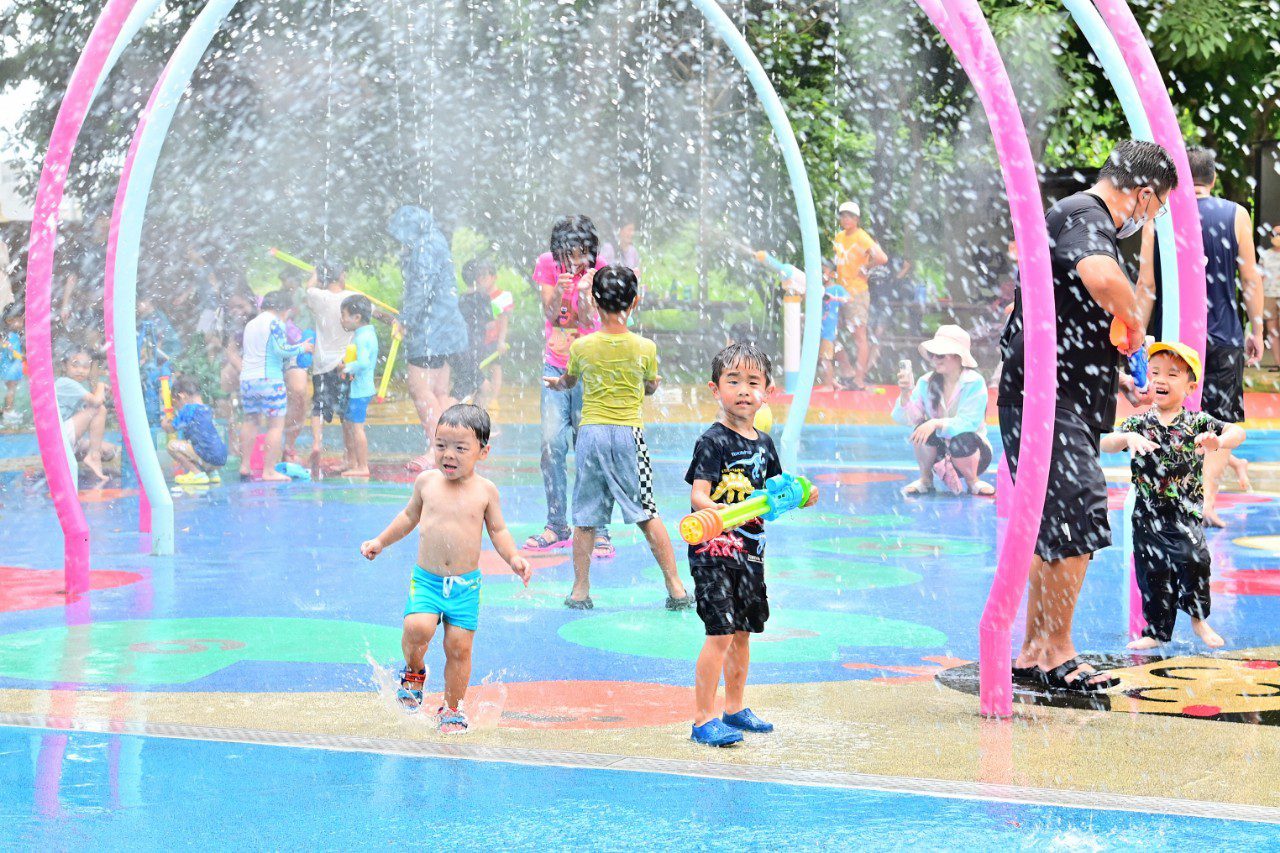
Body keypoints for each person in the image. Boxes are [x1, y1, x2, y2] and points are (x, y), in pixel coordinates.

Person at [998, 139, 1175, 693]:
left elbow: (1069, 307)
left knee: (1055, 526)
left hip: (1053, 394)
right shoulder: (1084, 215)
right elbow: (1100, 278)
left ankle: (1033, 649)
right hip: (1045, 401)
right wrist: (1137, 325)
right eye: (1158, 207)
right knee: (1079, 515)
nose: (1154, 218)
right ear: (1143, 194)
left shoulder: (1075, 216)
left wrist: (1114, 373)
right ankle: (1058, 648)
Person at [360, 404, 531, 732]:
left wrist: (514, 558)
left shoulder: (485, 491)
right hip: (427, 580)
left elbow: (498, 531)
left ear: (483, 451)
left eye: (460, 448)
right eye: (441, 445)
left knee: (459, 647)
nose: (448, 454)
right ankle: (414, 672)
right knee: (417, 628)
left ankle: (452, 708)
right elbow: (408, 517)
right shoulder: (426, 483)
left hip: (465, 586)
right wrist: (380, 541)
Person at [686, 342, 818, 747]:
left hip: (751, 554)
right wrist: (713, 514)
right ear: (715, 388)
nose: (743, 390)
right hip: (714, 553)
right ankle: (702, 718)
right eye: (733, 381)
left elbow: (775, 491)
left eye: (752, 382)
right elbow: (699, 495)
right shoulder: (713, 441)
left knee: (743, 633)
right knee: (719, 634)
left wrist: (801, 494)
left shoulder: (764, 444)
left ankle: (735, 708)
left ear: (768, 391)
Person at [542, 264, 691, 610]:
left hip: (591, 435)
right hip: (627, 436)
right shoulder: (644, 347)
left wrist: (557, 384)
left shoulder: (582, 347)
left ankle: (580, 590)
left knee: (585, 517)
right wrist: (650, 384)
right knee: (646, 512)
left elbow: (569, 380)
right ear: (635, 301)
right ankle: (676, 586)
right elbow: (650, 387)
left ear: (593, 303)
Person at [1100, 343, 1243, 649]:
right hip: (1146, 513)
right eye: (1154, 373)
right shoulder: (1139, 422)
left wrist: (1218, 440)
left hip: (1184, 511)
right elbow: (1107, 443)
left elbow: (1237, 432)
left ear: (1190, 386)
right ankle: (1156, 631)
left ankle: (1198, 618)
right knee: (1153, 572)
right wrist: (1127, 437)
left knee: (1196, 559)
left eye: (1172, 374)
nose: (1161, 380)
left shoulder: (1196, 422)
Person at [1178, 148, 1264, 526]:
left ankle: (1175, 498)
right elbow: (1250, 278)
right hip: (1224, 335)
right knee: (1218, 424)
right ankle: (1206, 503)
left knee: (1175, 419)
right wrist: (1257, 327)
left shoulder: (1166, 213)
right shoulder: (1236, 215)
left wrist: (1139, 334)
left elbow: (1146, 280)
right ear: (1212, 179)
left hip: (1176, 337)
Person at [526, 215, 613, 558]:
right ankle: (557, 523)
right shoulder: (548, 265)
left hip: (591, 368)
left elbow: (594, 322)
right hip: (556, 365)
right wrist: (562, 294)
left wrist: (588, 294)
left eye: (582, 253)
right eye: (570, 253)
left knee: (590, 446)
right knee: (551, 444)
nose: (577, 261)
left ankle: (598, 528)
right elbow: (552, 318)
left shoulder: (600, 268)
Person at [389, 205, 469, 473]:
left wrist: (405, 319)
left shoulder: (422, 248)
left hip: (429, 331)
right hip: (448, 327)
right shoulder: (437, 240)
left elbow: (419, 289)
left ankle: (437, 450)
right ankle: (446, 449)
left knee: (420, 389)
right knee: (440, 392)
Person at [893, 325, 994, 497]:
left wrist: (936, 423)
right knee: (921, 428)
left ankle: (973, 480)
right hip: (939, 455)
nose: (934, 360)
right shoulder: (926, 382)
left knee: (962, 438)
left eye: (940, 355)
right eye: (932, 354)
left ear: (958, 356)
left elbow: (969, 422)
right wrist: (905, 393)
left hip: (973, 453)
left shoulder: (974, 382)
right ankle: (925, 479)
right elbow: (909, 418)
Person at [238, 289, 312, 482]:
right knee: (275, 425)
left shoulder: (251, 324)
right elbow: (280, 349)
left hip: (248, 381)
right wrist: (301, 347)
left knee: (250, 421)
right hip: (269, 380)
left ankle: (245, 466)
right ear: (283, 309)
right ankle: (269, 471)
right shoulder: (275, 323)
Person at [832, 201, 888, 390]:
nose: (846, 219)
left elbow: (881, 257)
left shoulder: (862, 237)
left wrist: (866, 267)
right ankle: (847, 370)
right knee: (830, 332)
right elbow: (840, 264)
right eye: (843, 215)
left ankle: (859, 380)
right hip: (839, 291)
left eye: (850, 216)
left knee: (859, 336)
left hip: (856, 292)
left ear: (857, 219)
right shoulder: (839, 237)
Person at [304, 262, 354, 469]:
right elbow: (373, 314)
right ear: (341, 275)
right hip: (344, 364)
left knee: (318, 406)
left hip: (322, 364)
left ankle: (317, 443)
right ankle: (348, 457)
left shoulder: (318, 297)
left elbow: (309, 287)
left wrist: (315, 274)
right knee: (345, 413)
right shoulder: (351, 298)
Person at [454, 258, 512, 410]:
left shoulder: (462, 298)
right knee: (479, 385)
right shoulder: (481, 297)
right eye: (481, 276)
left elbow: (501, 319)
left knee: (471, 385)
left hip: (467, 348)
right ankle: (469, 421)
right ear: (477, 278)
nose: (483, 279)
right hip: (473, 348)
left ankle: (471, 418)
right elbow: (487, 322)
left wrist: (499, 340)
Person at [55, 348, 117, 485]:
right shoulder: (65, 383)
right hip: (61, 436)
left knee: (109, 450)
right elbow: (96, 403)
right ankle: (93, 456)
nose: (80, 370)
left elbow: (86, 415)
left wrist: (103, 394)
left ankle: (92, 454)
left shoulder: (75, 386)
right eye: (75, 365)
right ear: (64, 366)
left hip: (68, 440)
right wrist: (100, 386)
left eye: (85, 366)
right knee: (99, 409)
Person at [339, 294, 378, 478]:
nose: (342, 319)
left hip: (359, 390)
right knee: (349, 424)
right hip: (359, 388)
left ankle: (362, 466)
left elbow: (363, 363)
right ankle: (352, 461)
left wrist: (347, 367)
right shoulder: (365, 334)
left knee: (357, 427)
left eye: (344, 315)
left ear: (357, 317)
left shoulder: (363, 338)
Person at [163, 375, 228, 486]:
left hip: (206, 456)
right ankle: (212, 473)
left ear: (181, 396)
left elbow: (170, 429)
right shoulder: (207, 408)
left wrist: (165, 423)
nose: (177, 408)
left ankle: (197, 473)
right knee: (198, 444)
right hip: (221, 458)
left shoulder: (188, 409)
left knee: (172, 446)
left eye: (176, 404)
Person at [817, 259, 850, 389]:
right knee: (823, 357)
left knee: (826, 358)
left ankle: (828, 386)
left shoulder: (837, 289)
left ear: (831, 274)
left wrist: (834, 298)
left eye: (823, 271)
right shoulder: (820, 289)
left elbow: (848, 299)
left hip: (829, 329)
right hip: (820, 328)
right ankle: (834, 383)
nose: (820, 275)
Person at [1259, 224, 1280, 371]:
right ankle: (1278, 363)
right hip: (1269, 295)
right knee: (1272, 330)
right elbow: (1259, 277)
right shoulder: (1265, 255)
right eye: (1275, 234)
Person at [1, 302, 24, 424]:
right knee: (11, 389)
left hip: (12, 367)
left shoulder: (13, 335)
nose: (22, 324)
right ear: (9, 320)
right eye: (19, 321)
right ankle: (8, 411)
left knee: (11, 389)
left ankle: (7, 409)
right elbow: (10, 352)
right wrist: (21, 356)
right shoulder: (9, 336)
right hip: (10, 367)